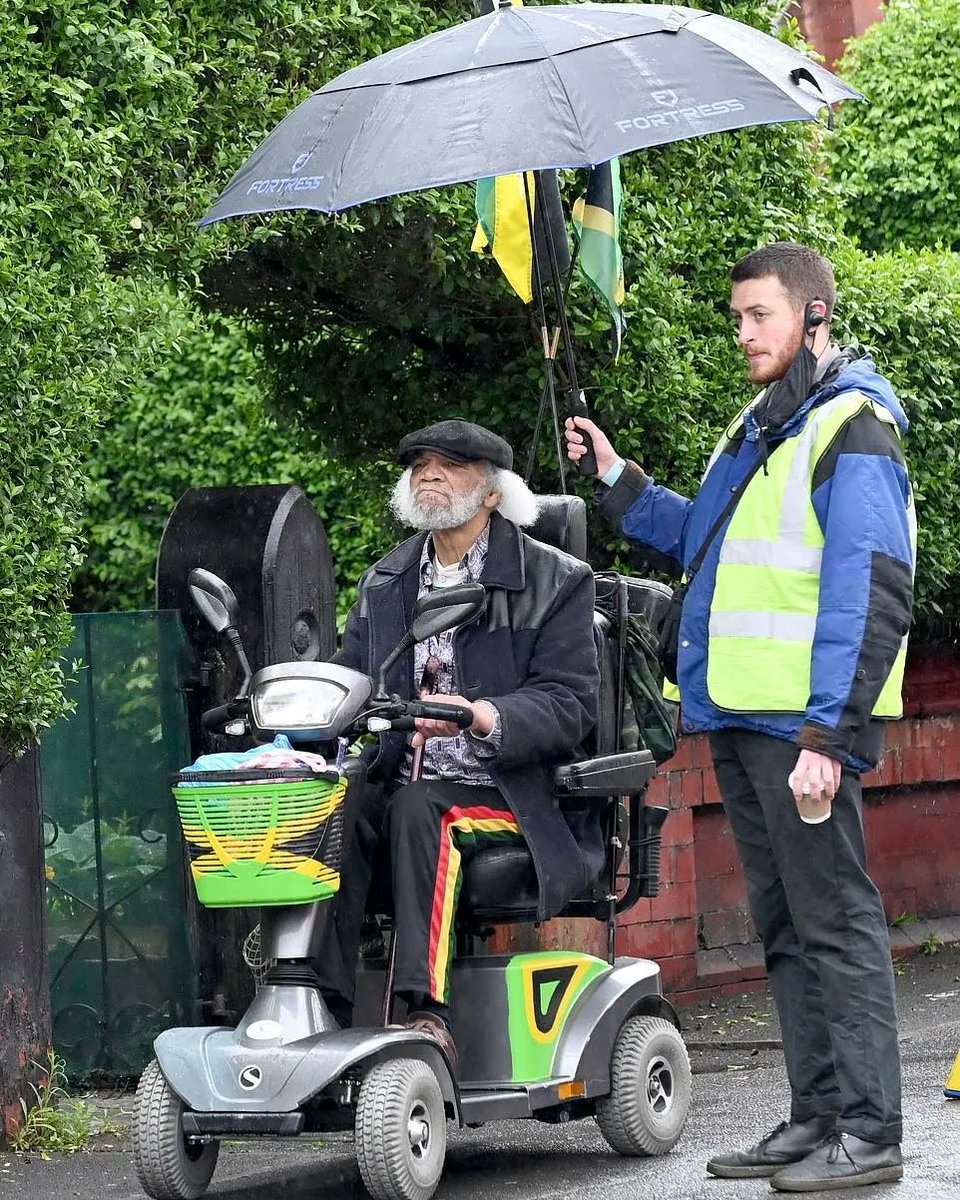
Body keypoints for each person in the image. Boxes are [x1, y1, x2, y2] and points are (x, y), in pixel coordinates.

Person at [565, 242, 915, 1193]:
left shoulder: (854, 424)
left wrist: (828, 738)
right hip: (742, 718)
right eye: (739, 319)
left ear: (814, 316)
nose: (747, 333)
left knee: (836, 922)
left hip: (801, 730)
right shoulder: (763, 424)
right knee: (789, 928)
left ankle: (873, 1135)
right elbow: (702, 542)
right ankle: (817, 1119)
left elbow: (870, 588)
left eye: (761, 315)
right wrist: (619, 478)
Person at [317, 419, 601, 1071]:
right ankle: (322, 1008)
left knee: (423, 809)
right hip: (404, 781)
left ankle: (425, 1013)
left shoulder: (555, 581)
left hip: (509, 794)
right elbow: (352, 679)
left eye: (451, 464)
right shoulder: (386, 582)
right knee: (337, 804)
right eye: (420, 464)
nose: (430, 474)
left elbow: (571, 705)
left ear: (494, 492)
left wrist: (481, 715)